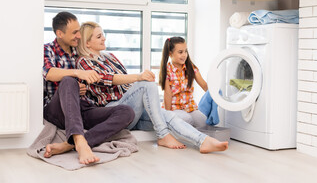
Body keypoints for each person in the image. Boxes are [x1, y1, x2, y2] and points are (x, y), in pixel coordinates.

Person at [76, 21, 228, 153]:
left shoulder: (110, 57)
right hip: (112, 109)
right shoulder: (83, 62)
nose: (104, 38)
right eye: (98, 36)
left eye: (103, 34)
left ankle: (203, 141)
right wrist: (139, 78)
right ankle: (163, 134)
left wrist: (142, 97)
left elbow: (126, 84)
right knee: (146, 84)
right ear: (87, 43)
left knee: (168, 116)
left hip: (130, 109)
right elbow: (106, 79)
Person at [43, 12, 135, 164]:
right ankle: (79, 141)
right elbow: (49, 73)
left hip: (82, 108)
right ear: (59, 33)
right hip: (56, 109)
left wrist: (79, 88)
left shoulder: (79, 53)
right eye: (74, 32)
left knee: (126, 111)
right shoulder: (48, 50)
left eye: (79, 31)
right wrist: (78, 74)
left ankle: (68, 145)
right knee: (68, 81)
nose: (79, 35)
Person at [159, 37, 208, 128]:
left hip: (189, 108)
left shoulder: (191, 67)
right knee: (187, 119)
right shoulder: (167, 70)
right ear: (170, 53)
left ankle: (195, 138)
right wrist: (168, 115)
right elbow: (168, 94)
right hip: (174, 108)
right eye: (180, 52)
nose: (184, 55)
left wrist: (216, 95)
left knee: (203, 121)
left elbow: (204, 85)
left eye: (186, 51)